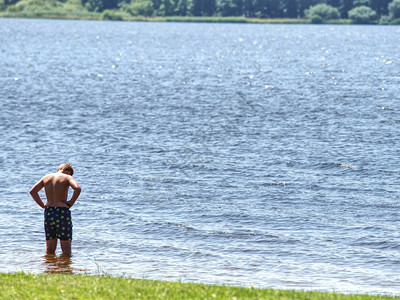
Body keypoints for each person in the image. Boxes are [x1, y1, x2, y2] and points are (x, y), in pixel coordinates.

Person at [30, 163, 81, 255]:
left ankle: (50, 267)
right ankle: (65, 267)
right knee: (66, 248)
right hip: (62, 212)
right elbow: (77, 189)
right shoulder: (68, 177)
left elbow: (33, 191)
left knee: (50, 248)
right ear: (68, 172)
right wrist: (71, 202)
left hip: (49, 211)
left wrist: (42, 205)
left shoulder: (46, 177)